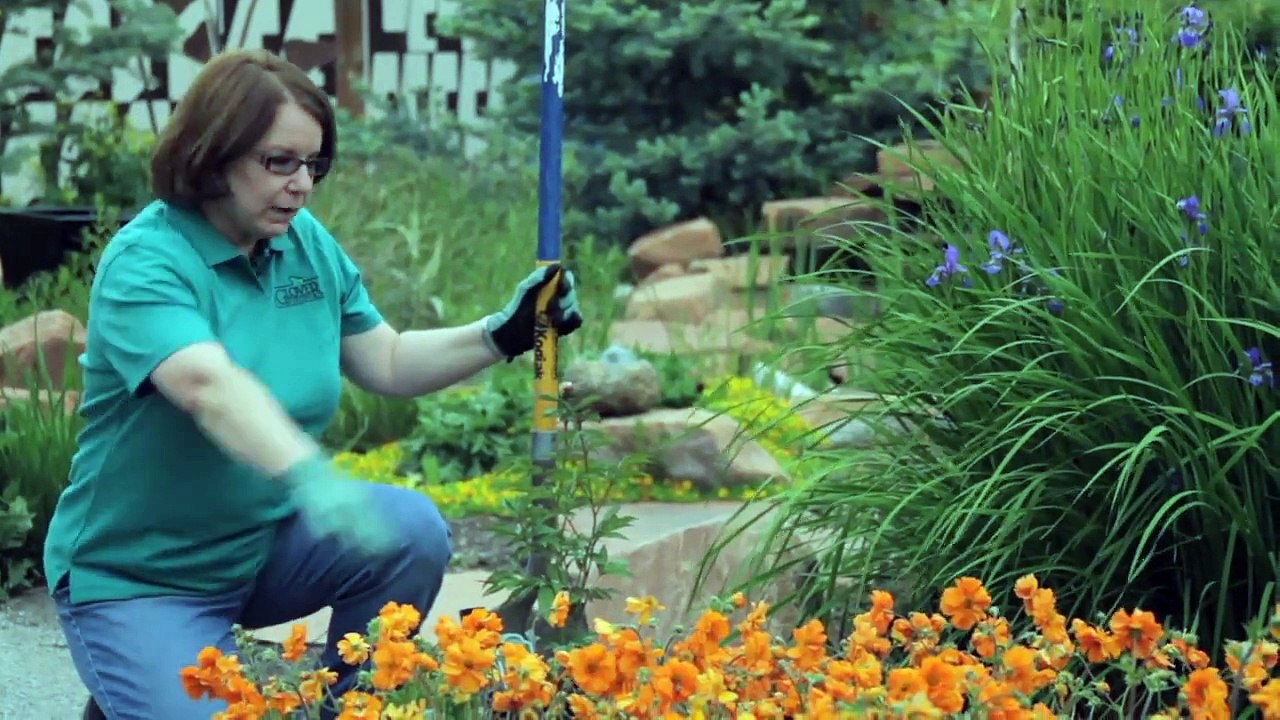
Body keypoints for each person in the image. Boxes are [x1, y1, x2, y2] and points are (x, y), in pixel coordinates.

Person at [40, 48, 583, 719]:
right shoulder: (146, 261)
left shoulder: (303, 244)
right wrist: (309, 473)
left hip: (258, 548)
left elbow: (385, 359)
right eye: (280, 162)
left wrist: (501, 334)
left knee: (408, 531)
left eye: (314, 165)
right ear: (212, 156)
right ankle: (141, 670)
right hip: (140, 577)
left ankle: (347, 708)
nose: (302, 184)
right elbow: (207, 384)